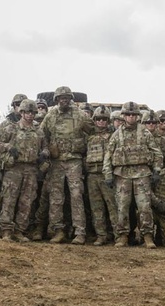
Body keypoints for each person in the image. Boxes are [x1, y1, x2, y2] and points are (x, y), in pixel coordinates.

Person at [104, 101, 163, 248]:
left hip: (142, 174)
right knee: (122, 207)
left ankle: (148, 236)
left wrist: (156, 170)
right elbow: (108, 156)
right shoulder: (117, 135)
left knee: (144, 207)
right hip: (122, 175)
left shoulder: (145, 133)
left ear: (137, 116)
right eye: (128, 114)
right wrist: (108, 174)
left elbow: (157, 153)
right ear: (123, 116)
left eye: (133, 115)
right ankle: (123, 236)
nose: (131, 117)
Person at [39, 86, 94, 243]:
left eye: (66, 98)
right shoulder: (50, 115)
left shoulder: (80, 114)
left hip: (73, 161)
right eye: (61, 98)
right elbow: (42, 135)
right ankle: (58, 230)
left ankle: (80, 232)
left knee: (76, 195)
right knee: (56, 197)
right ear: (56, 100)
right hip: (56, 162)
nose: (64, 100)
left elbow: (93, 132)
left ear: (71, 99)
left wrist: (83, 148)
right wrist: (47, 150)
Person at [0, 99, 46, 242]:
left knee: (26, 201)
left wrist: (44, 154)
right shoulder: (12, 128)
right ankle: (6, 230)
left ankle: (19, 230)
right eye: (27, 112)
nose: (30, 115)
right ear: (21, 113)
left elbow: (45, 147)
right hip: (14, 169)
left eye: (32, 112)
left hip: (31, 169)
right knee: (9, 199)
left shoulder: (38, 131)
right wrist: (8, 147)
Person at [82, 106, 116, 245]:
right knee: (96, 208)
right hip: (92, 175)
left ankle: (118, 235)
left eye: (104, 119)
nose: (101, 122)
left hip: (106, 175)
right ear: (94, 120)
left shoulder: (113, 136)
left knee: (113, 207)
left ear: (108, 121)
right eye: (98, 119)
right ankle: (101, 235)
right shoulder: (89, 137)